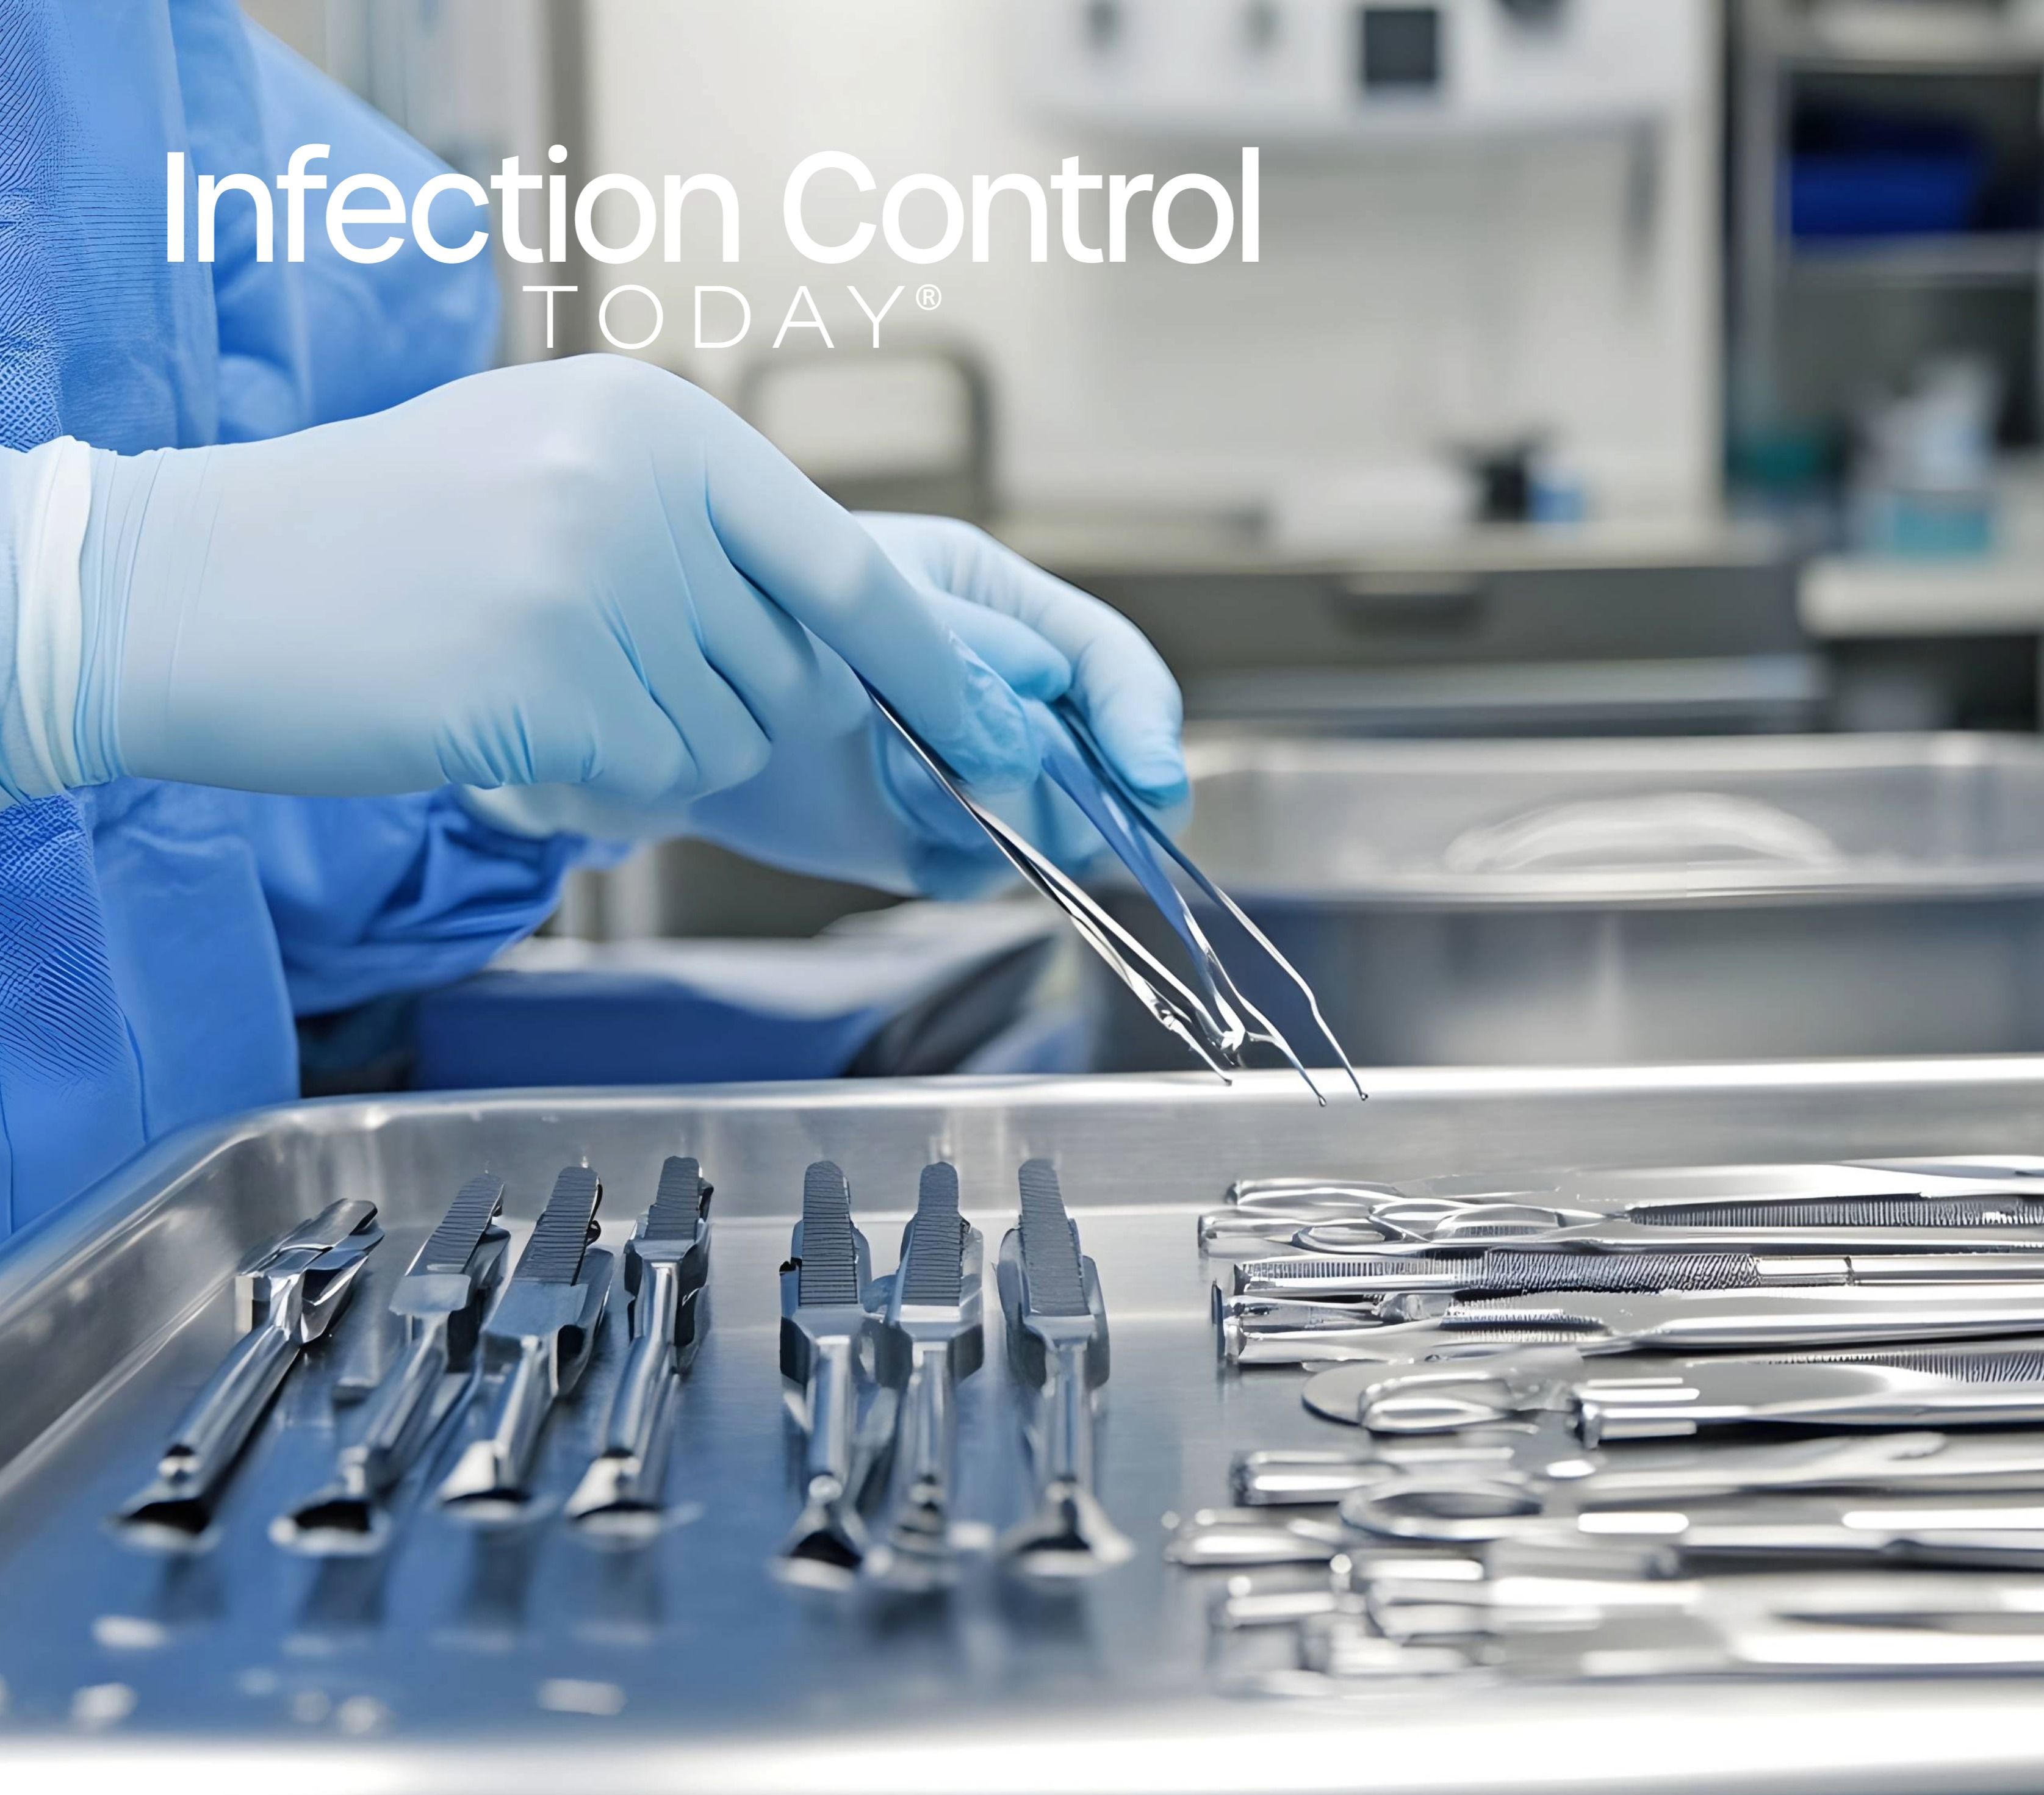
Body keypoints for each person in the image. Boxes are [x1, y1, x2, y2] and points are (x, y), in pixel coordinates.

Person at [0, 5, 1182, 1237]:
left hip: (156, 1282)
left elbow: (168, 833)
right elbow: (126, 625)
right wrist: (59, 609)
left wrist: (542, 759)